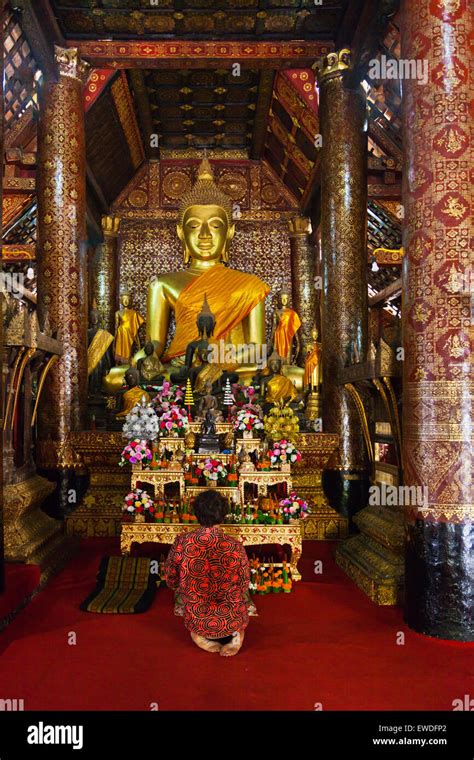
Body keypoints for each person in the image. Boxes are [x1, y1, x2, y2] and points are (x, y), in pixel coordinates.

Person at [164, 490, 250, 656]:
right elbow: (244, 582)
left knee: (188, 596)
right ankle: (235, 637)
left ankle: (200, 637)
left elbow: (171, 577)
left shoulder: (183, 542)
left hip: (198, 615)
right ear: (223, 514)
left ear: (196, 513)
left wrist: (181, 589)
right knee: (237, 597)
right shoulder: (234, 545)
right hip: (230, 617)